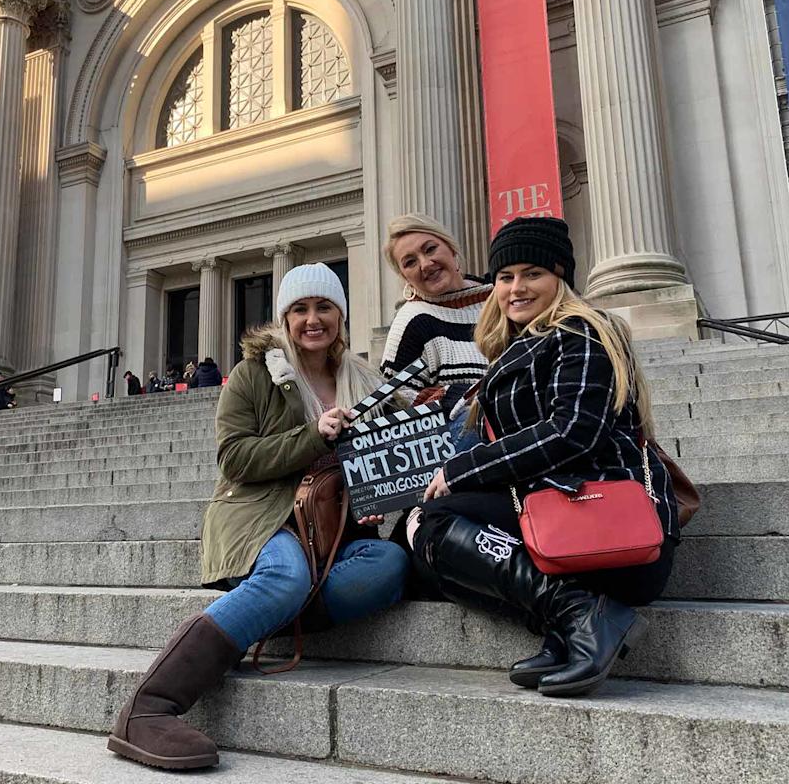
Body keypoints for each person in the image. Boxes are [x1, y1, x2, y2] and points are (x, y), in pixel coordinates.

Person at [108, 263, 409, 770]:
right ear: (284, 318)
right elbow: (236, 459)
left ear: (341, 314)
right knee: (285, 576)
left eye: (324, 308)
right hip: (264, 517)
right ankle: (148, 708)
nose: (313, 320)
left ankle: (261, 613)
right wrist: (316, 434)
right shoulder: (255, 375)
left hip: (338, 530)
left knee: (389, 565)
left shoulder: (365, 379)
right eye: (300, 310)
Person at [404, 217, 678, 697]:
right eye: (505, 277)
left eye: (532, 273)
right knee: (427, 542)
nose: (515, 288)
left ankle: (579, 613)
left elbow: (571, 433)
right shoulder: (519, 348)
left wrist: (463, 470)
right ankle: (568, 622)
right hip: (562, 520)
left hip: (608, 525)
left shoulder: (584, 332)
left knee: (439, 520)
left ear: (560, 277)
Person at [380, 213, 492, 442]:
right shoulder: (412, 320)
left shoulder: (499, 299)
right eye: (410, 262)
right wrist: (449, 396)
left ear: (451, 248)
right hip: (462, 450)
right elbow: (391, 399)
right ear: (405, 276)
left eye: (430, 249)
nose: (425, 264)